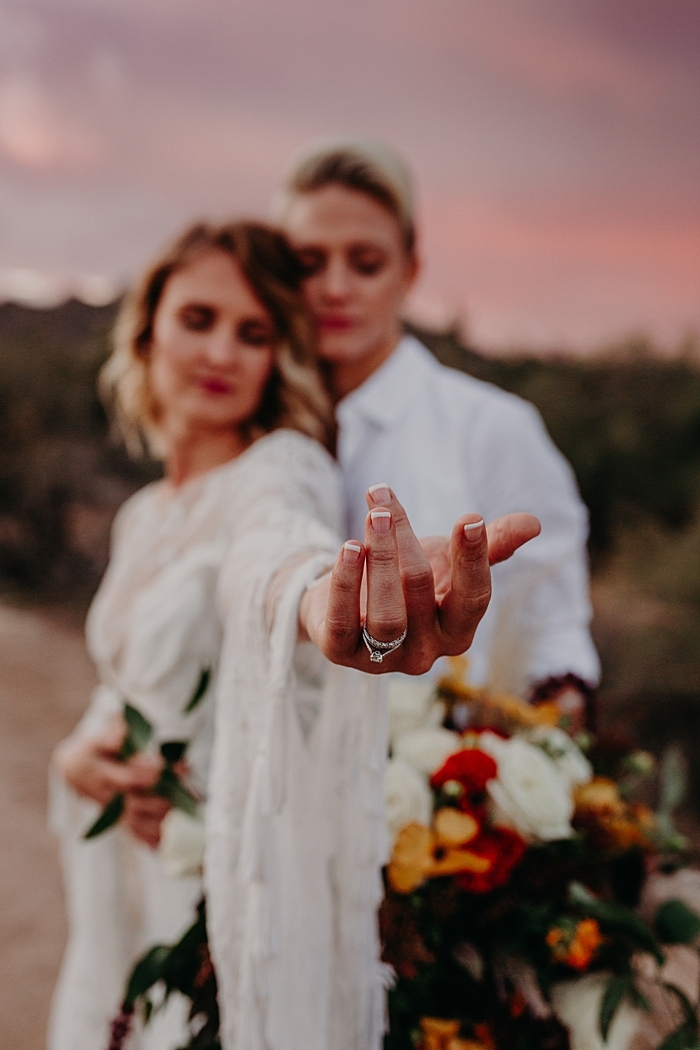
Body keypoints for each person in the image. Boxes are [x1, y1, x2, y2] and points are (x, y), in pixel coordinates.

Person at [49, 220, 537, 1050]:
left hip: (214, 897)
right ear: (147, 329)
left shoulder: (281, 467)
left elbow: (275, 556)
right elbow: (129, 680)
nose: (221, 353)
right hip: (123, 889)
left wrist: (321, 602)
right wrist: (75, 756)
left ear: (282, 358)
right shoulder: (140, 514)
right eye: (198, 319)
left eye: (255, 334)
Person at [276, 138, 601, 720]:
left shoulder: (493, 428)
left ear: (410, 271)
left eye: (366, 263)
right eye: (308, 263)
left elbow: (551, 630)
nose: (334, 287)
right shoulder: (253, 426)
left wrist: (535, 757)